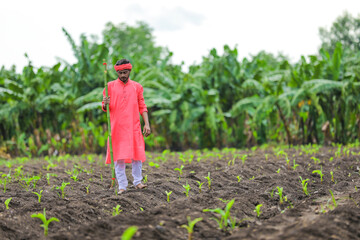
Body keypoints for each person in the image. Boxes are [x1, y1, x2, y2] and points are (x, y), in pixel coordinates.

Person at [102, 59, 151, 193]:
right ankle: (122, 186)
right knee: (118, 158)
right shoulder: (109, 87)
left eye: (125, 72)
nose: (123, 75)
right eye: (120, 73)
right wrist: (105, 103)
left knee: (137, 156)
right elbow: (105, 107)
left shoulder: (137, 87)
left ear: (129, 71)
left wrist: (146, 123)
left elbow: (142, 106)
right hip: (117, 128)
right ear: (117, 72)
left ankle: (138, 182)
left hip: (133, 127)